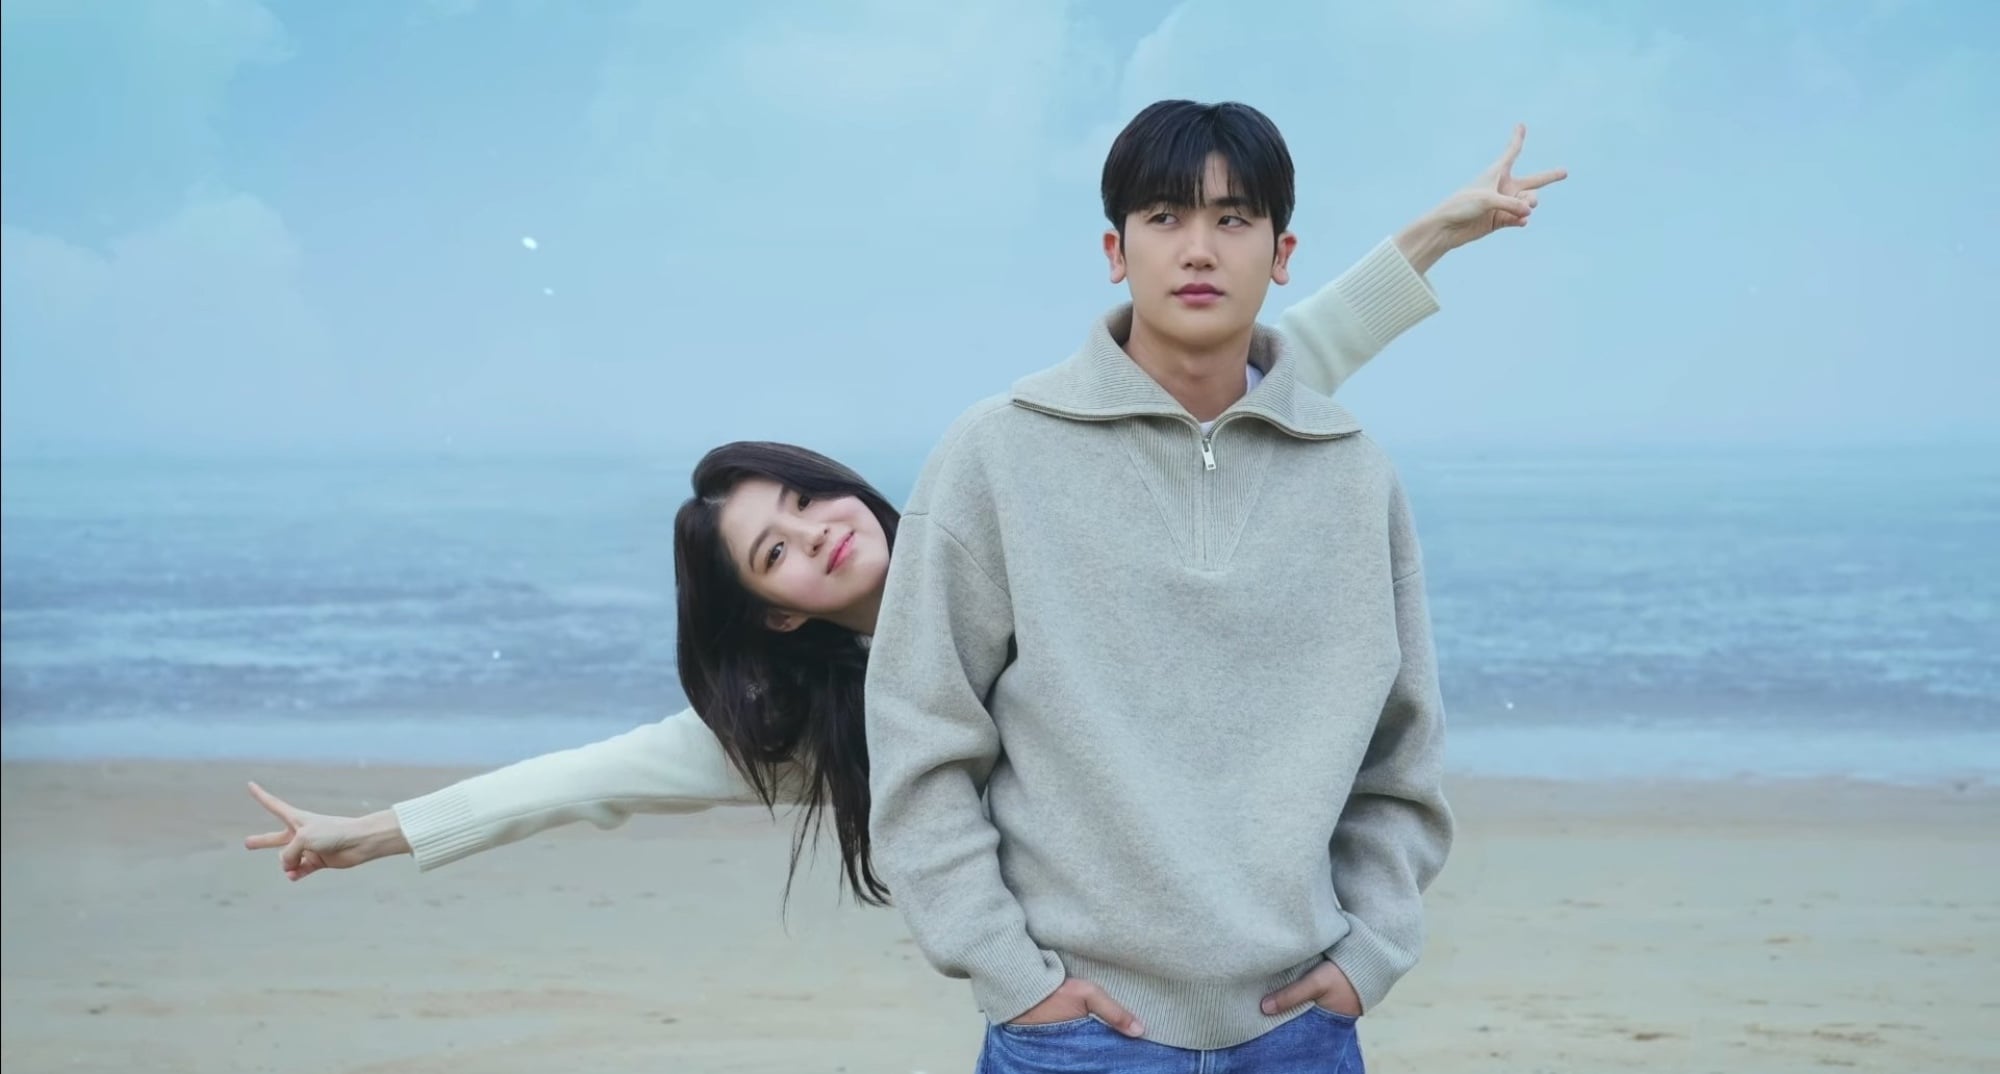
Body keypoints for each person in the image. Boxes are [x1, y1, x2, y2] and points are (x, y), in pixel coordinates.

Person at [244, 127, 1566, 928]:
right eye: (772, 553)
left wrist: (1436, 235)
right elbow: (585, 780)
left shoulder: (995, 496)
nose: (814, 535)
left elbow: (1277, 360)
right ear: (775, 613)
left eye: (805, 500)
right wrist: (378, 831)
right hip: (1070, 999)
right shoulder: (826, 724)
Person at [862, 99, 1481, 1072]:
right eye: (1164, 216)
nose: (1198, 249)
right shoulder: (996, 453)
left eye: (1233, 218)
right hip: (1072, 1034)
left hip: (1300, 1029)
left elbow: (1399, 753)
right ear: (1116, 250)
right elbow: (919, 733)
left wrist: (1370, 953)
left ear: (1281, 253)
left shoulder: (1353, 471)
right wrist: (1009, 974)